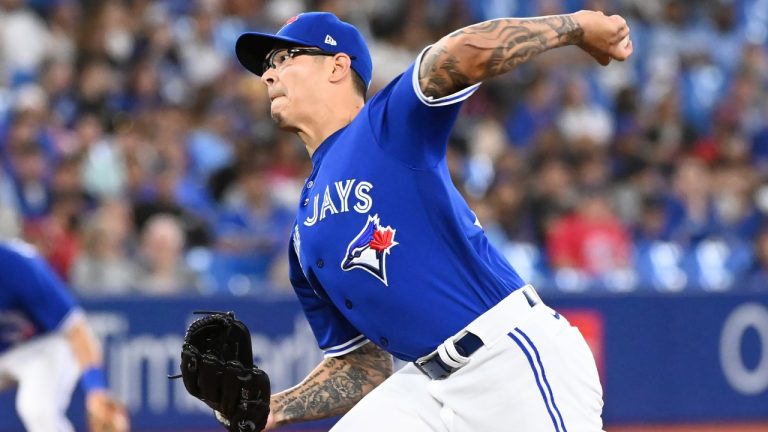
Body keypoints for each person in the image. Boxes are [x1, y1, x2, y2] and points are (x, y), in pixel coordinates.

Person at [233, 9, 632, 431]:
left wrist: (577, 26)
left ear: (337, 66)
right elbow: (362, 368)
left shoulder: (384, 127)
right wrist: (276, 407)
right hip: (426, 387)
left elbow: (459, 53)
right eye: (267, 66)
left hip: (507, 358)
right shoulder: (302, 235)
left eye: (285, 58)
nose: (269, 75)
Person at [0, 238, 128, 431]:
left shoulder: (16, 265)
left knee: (36, 408)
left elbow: (77, 330)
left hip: (44, 344)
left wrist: (96, 389)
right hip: (6, 351)